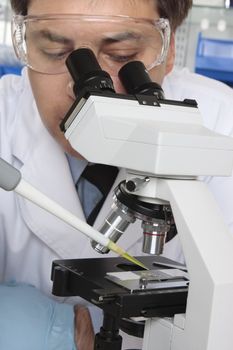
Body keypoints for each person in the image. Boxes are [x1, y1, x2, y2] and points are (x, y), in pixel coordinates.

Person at [1, 0, 233, 348]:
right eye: (53, 49)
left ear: (169, 52)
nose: (79, 89)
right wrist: (44, 330)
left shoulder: (222, 126)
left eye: (123, 55)